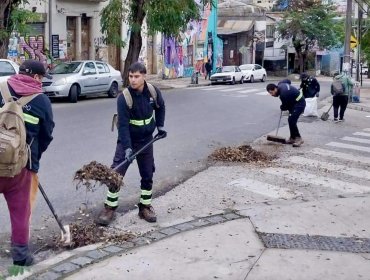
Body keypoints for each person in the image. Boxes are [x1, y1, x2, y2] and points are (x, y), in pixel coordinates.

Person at [97, 62, 166, 226]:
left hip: (147, 139)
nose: (133, 80)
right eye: (130, 76)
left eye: (137, 76)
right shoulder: (124, 97)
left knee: (147, 174)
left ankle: (145, 207)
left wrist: (160, 126)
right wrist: (127, 147)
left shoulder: (153, 92)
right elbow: (123, 126)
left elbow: (161, 107)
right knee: (116, 174)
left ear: (144, 76)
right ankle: (110, 208)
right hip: (128, 141)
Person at [0, 60, 54, 266]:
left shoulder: (1, 88)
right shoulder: (42, 101)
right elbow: (47, 135)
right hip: (20, 169)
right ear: (37, 78)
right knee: (21, 211)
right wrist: (33, 158)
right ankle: (21, 255)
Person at [266, 82, 306, 147]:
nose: (271, 94)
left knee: (292, 120)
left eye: (271, 92)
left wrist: (282, 107)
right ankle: (292, 138)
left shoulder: (283, 94)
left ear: (275, 89)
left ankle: (298, 138)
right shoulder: (280, 85)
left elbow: (286, 106)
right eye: (270, 93)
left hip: (299, 103)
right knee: (290, 120)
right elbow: (287, 80)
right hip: (294, 102)